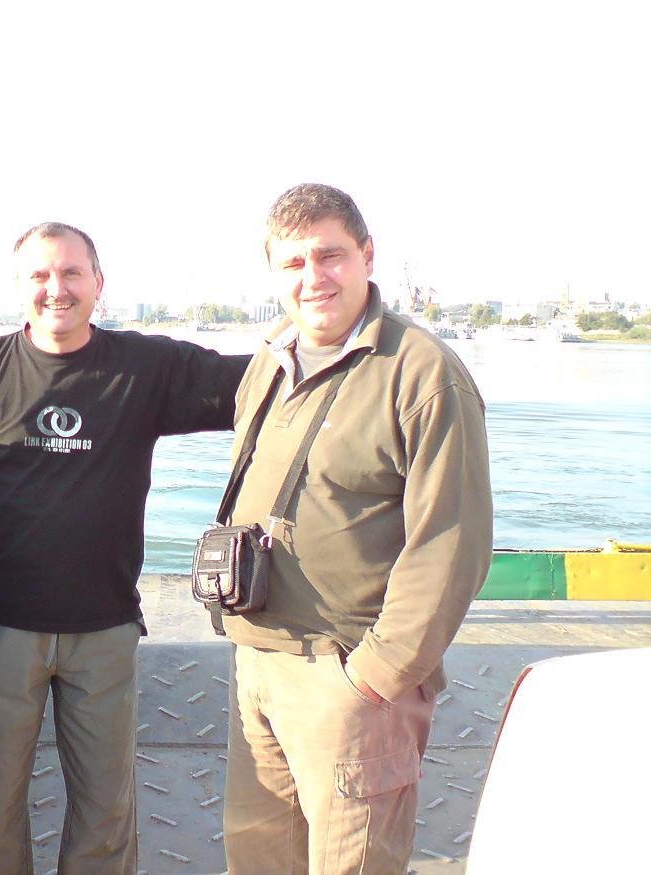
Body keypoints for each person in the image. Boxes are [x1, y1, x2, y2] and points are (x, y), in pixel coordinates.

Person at [0, 222, 250, 874]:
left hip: (104, 627)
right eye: (40, 275)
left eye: (72, 273)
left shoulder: (144, 367)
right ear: (18, 288)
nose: (57, 288)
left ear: (98, 283)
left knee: (105, 817)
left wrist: (344, 352)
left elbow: (260, 385)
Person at [218, 183, 492, 874]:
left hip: (349, 680)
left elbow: (451, 543)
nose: (313, 277)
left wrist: (375, 676)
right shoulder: (270, 361)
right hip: (261, 664)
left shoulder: (421, 372)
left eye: (330, 255)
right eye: (293, 262)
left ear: (367, 255)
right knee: (257, 863)